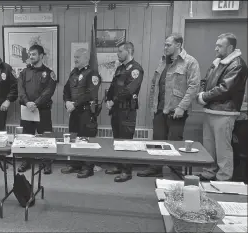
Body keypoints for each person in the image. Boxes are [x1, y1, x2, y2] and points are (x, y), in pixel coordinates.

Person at [137, 33, 201, 178]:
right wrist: (153, 105)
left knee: (175, 142)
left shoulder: (190, 62)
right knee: (158, 141)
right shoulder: (163, 62)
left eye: (168, 45)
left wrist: (181, 107)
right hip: (160, 109)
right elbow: (155, 84)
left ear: (178, 45)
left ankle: (176, 172)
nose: (165, 47)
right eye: (164, 44)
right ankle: (155, 168)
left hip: (176, 110)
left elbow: (194, 87)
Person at [197, 33, 248, 181]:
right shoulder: (218, 61)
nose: (216, 48)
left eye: (220, 46)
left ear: (230, 47)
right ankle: (209, 172)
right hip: (210, 109)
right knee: (209, 146)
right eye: (216, 45)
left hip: (225, 112)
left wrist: (203, 97)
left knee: (222, 148)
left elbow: (225, 88)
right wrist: (202, 93)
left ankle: (224, 178)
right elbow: (205, 81)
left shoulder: (237, 64)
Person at [105, 42, 144, 182]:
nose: (118, 53)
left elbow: (129, 90)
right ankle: (118, 165)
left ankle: (126, 171)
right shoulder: (120, 68)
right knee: (117, 140)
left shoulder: (136, 69)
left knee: (126, 142)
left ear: (128, 51)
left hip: (127, 110)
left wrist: (113, 101)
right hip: (116, 110)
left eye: (120, 51)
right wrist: (108, 100)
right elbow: (113, 86)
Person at [61, 48, 101, 178]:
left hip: (86, 112)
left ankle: (88, 167)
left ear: (86, 59)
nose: (75, 60)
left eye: (78, 57)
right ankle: (75, 164)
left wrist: (74, 103)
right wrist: (67, 101)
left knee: (86, 140)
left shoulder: (92, 73)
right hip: (74, 112)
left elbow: (90, 93)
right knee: (74, 138)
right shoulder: (74, 73)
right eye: (74, 57)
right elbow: (66, 89)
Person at [17, 44, 57, 174]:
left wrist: (36, 103)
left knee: (45, 137)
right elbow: (20, 89)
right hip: (27, 110)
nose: (31, 57)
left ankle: (46, 163)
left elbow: (48, 91)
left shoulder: (49, 73)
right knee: (26, 137)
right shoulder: (24, 72)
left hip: (42, 110)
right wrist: (28, 102)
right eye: (30, 54)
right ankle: (26, 161)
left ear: (41, 56)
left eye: (34, 54)